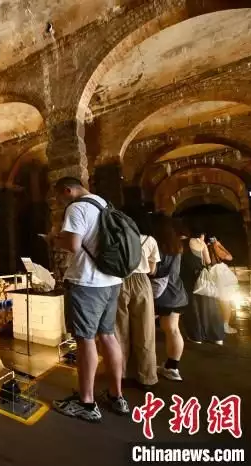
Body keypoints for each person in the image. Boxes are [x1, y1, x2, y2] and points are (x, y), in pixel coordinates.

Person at [48, 177, 128, 423]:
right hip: (111, 281)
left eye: (61, 197)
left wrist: (53, 238)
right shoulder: (104, 204)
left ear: (68, 190)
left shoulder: (77, 207)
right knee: (108, 336)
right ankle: (117, 396)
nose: (61, 202)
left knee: (85, 341)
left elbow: (73, 245)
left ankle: (87, 402)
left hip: (87, 284)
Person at [115, 213, 159, 389]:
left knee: (119, 330)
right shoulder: (150, 240)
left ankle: (121, 373)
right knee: (146, 330)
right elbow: (152, 270)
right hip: (141, 282)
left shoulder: (119, 238)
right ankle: (147, 377)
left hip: (119, 281)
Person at [151, 215, 188, 381]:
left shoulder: (157, 245)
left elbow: (153, 270)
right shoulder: (176, 245)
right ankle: (172, 368)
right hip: (177, 292)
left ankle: (146, 365)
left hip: (160, 294)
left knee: (147, 330)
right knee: (173, 329)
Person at [181, 227, 224, 345]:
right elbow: (208, 261)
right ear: (201, 235)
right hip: (201, 277)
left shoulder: (182, 243)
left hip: (188, 279)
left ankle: (196, 336)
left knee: (193, 307)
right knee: (209, 305)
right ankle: (216, 336)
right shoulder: (201, 243)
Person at [208, 236, 237, 334]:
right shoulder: (215, 247)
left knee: (216, 302)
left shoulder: (205, 247)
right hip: (220, 275)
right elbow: (230, 257)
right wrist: (220, 246)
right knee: (225, 302)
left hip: (210, 273)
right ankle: (225, 326)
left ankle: (216, 325)